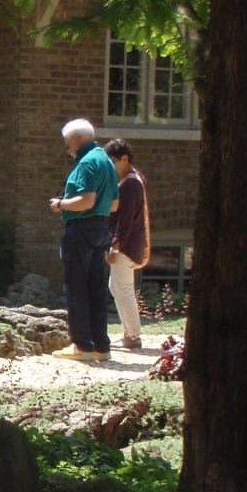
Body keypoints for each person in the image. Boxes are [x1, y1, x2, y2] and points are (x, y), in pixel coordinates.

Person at [48, 118, 119, 360]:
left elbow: (85, 201)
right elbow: (115, 202)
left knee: (76, 287)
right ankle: (102, 346)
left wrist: (60, 204)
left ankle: (82, 346)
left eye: (68, 142)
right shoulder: (107, 161)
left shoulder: (87, 162)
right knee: (96, 288)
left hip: (81, 229)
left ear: (77, 139)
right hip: (101, 229)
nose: (67, 147)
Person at [104, 138, 151, 350]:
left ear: (125, 158)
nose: (111, 167)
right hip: (127, 243)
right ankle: (129, 333)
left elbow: (126, 219)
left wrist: (115, 245)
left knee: (123, 289)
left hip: (126, 245)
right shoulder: (134, 179)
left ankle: (132, 336)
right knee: (117, 287)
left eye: (113, 162)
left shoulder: (130, 183)